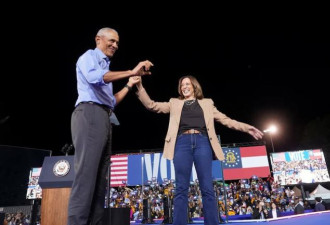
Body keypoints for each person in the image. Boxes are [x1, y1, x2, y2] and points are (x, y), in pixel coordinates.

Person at [134, 75, 263, 225]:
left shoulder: (207, 103)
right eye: (182, 85)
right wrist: (139, 87)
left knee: (207, 187)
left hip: (202, 143)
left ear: (194, 86)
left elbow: (226, 120)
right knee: (181, 188)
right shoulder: (174, 103)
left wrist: (247, 128)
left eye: (187, 84)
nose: (185, 87)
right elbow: (151, 105)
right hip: (181, 143)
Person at [67, 27, 153, 225]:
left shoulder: (106, 68)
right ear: (98, 39)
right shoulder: (89, 57)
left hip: (105, 117)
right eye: (111, 41)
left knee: (100, 181)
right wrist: (131, 71)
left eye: (117, 43)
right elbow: (95, 78)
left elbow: (111, 102)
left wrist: (129, 84)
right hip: (89, 115)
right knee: (86, 176)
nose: (115, 45)